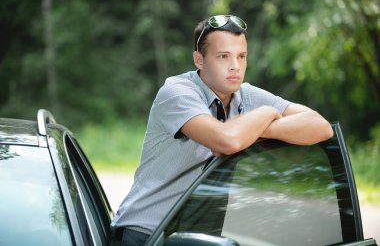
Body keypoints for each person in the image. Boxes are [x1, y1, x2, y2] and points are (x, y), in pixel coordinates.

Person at [110, 15, 333, 245]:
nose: (235, 66)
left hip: (199, 238)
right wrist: (266, 113)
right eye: (223, 56)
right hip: (145, 234)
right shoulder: (176, 92)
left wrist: (257, 131)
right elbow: (227, 141)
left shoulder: (246, 95)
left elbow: (321, 127)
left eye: (241, 56)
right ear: (199, 60)